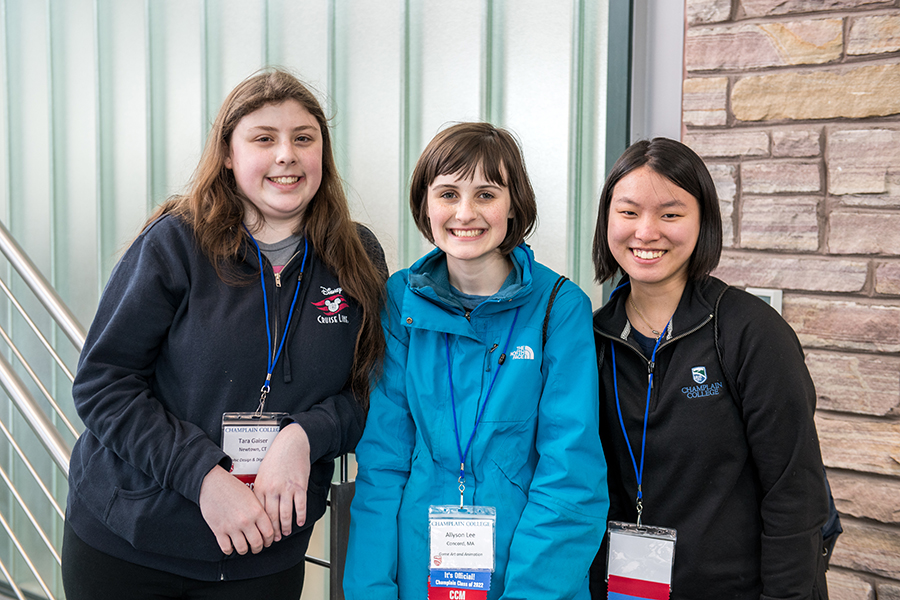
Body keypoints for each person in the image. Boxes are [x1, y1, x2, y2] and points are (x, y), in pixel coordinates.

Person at [61, 68, 387, 600]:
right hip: (130, 545)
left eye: (303, 138)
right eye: (264, 139)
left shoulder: (356, 256)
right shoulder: (176, 242)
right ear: (229, 155)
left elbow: (370, 392)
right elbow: (104, 384)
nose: (286, 155)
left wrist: (304, 435)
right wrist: (204, 477)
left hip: (263, 553)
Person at [343, 122, 609, 600]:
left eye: (486, 194)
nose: (465, 213)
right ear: (425, 205)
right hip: (417, 575)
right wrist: (371, 591)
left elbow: (570, 478)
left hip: (529, 581)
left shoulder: (559, 307)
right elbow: (383, 464)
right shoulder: (399, 300)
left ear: (514, 205)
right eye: (448, 194)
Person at [589, 137, 829, 600]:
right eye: (629, 212)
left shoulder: (750, 333)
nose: (646, 232)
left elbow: (794, 495)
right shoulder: (591, 338)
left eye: (671, 214)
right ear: (607, 220)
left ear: (703, 222)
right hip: (623, 588)